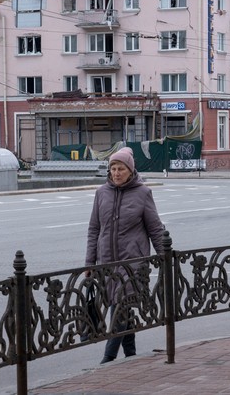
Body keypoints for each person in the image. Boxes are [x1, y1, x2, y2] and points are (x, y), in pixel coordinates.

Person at [85, 146, 164, 364]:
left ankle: (107, 359)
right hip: (107, 262)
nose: (117, 173)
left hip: (133, 263)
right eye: (113, 169)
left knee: (119, 305)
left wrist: (165, 256)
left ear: (130, 170)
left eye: (121, 169)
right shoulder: (101, 193)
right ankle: (130, 355)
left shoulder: (143, 193)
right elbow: (94, 229)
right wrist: (89, 262)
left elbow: (155, 229)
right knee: (121, 306)